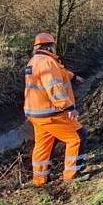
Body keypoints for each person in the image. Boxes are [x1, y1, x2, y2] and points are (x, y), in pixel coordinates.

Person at [24, 32, 86, 186]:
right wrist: (68, 107)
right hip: (51, 113)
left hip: (35, 114)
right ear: (50, 46)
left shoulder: (34, 61)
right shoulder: (47, 62)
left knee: (43, 145)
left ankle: (39, 180)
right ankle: (72, 175)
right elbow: (54, 88)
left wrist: (73, 77)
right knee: (77, 136)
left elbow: (60, 72)